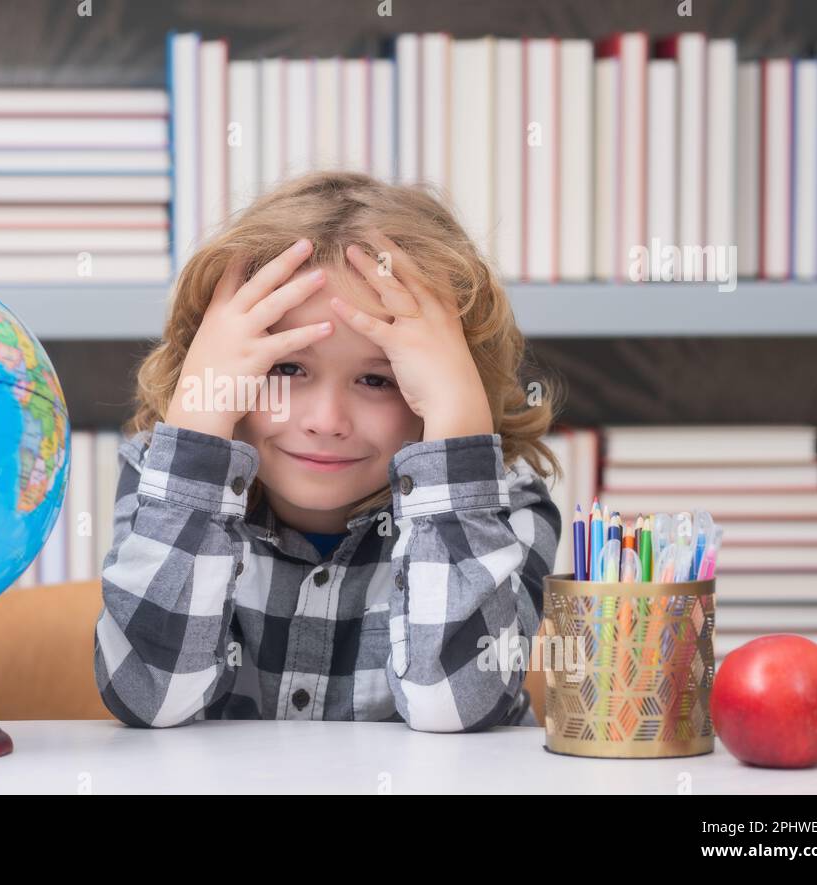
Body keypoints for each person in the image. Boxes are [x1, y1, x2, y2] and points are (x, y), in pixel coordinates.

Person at [93, 170, 562, 732]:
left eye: (377, 380)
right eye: (288, 368)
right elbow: (149, 697)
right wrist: (201, 413)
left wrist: (457, 424)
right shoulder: (163, 481)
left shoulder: (503, 506)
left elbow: (455, 707)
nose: (325, 422)